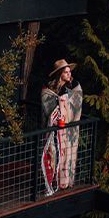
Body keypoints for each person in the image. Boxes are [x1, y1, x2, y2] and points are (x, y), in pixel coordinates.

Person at [40, 59, 83, 196]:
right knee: (53, 154)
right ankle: (53, 182)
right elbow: (46, 103)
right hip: (54, 130)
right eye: (66, 72)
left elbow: (77, 104)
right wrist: (59, 103)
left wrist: (64, 102)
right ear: (59, 74)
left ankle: (64, 182)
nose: (69, 74)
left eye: (69, 71)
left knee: (68, 154)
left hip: (69, 130)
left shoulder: (74, 86)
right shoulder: (49, 89)